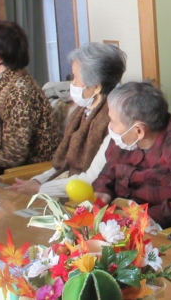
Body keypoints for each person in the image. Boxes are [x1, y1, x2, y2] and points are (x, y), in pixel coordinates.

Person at [93, 82, 171, 229]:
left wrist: (140, 218)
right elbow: (108, 172)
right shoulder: (125, 139)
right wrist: (103, 192)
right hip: (119, 220)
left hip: (158, 228)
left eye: (113, 121)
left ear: (139, 131)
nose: (110, 126)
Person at [8, 42, 126, 196]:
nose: (72, 84)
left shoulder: (114, 121)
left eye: (75, 78)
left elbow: (92, 179)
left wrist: (40, 189)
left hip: (90, 195)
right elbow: (62, 165)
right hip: (66, 187)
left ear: (96, 87)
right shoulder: (81, 111)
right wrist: (37, 181)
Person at [0, 21, 60, 180]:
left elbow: (15, 155)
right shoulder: (3, 81)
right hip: (9, 167)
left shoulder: (20, 90)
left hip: (31, 173)